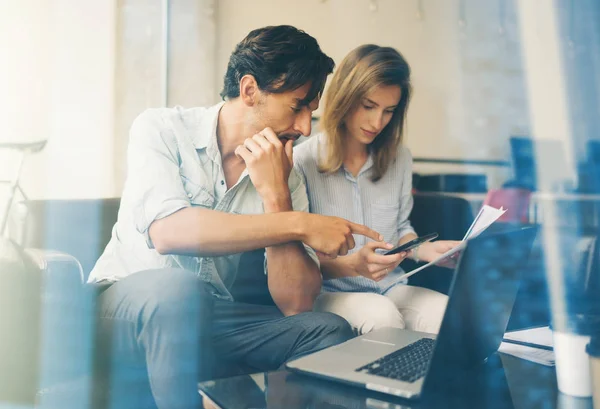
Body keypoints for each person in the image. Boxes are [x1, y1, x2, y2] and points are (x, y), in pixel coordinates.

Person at [88, 26, 383, 409]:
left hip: (212, 313)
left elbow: (296, 303)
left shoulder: (284, 171)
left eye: (312, 112)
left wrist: (277, 198)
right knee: (179, 291)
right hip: (127, 308)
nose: (305, 127)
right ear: (249, 90)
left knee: (327, 330)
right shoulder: (160, 129)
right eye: (297, 107)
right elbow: (169, 231)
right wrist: (298, 223)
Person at [294, 44, 461, 336]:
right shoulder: (303, 162)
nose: (377, 122)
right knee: (381, 316)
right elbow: (297, 259)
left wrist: (424, 250)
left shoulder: (400, 159)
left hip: (390, 285)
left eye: (388, 111)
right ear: (345, 99)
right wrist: (352, 265)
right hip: (329, 292)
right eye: (369, 106)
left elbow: (400, 228)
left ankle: (425, 383)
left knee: (451, 313)